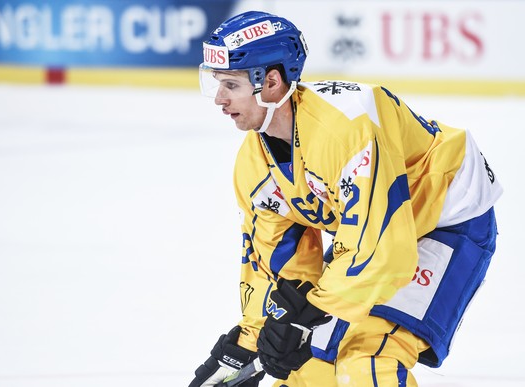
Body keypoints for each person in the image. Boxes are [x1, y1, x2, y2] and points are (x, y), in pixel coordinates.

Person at [188, 10, 502, 387]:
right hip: (379, 235)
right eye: (216, 84)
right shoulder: (254, 167)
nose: (219, 99)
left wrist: (307, 315)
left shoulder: (347, 127)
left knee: (368, 355)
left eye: (231, 85)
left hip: (448, 218)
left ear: (271, 81)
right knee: (306, 364)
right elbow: (276, 265)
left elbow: (384, 251)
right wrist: (249, 343)